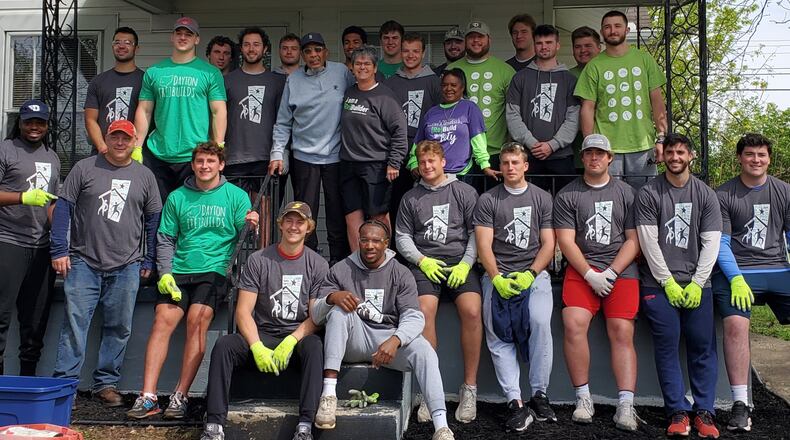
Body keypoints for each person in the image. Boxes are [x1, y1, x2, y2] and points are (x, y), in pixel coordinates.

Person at [127, 142, 258, 420]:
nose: (204, 166)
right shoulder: (177, 197)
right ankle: (148, 396)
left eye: (210, 161)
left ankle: (180, 396)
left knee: (196, 320)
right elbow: (165, 238)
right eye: (200, 161)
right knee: (162, 320)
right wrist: (165, 273)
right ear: (193, 165)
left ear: (221, 165)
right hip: (179, 270)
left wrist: (252, 224)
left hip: (214, 271)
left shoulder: (235, 196)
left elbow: (245, 234)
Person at [50, 120, 161, 407]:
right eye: (115, 137)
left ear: (135, 141)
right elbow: (63, 208)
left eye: (126, 138)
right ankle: (65, 386)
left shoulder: (145, 176)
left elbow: (153, 220)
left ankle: (106, 384)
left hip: (127, 265)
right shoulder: (84, 168)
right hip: (83, 261)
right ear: (107, 139)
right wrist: (59, 250)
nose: (120, 143)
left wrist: (149, 258)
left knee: (119, 327)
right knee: (74, 326)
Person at [311, 220, 455, 440]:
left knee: (425, 350)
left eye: (376, 241)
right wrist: (332, 298)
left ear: (386, 243)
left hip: (388, 341)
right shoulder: (341, 269)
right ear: (358, 241)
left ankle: (441, 427)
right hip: (353, 340)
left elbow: (414, 317)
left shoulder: (400, 272)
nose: (370, 245)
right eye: (365, 240)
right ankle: (328, 396)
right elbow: (316, 315)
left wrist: (396, 339)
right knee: (338, 312)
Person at [201, 201, 328, 440]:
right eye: (289, 220)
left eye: (300, 222)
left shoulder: (318, 265)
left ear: (309, 227)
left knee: (315, 345)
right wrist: (256, 346)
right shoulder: (258, 259)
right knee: (224, 345)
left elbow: (316, 317)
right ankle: (214, 426)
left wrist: (292, 340)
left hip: (296, 338)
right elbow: (243, 312)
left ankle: (305, 426)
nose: (293, 226)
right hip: (263, 335)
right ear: (280, 224)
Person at [635, 133, 722, 438]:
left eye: (681, 152)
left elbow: (712, 242)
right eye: (670, 152)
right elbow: (648, 242)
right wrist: (667, 282)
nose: (675, 157)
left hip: (698, 284)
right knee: (667, 345)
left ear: (691, 156)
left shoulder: (706, 194)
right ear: (664, 156)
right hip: (658, 284)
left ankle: (705, 412)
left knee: (702, 346)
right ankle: (677, 412)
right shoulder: (649, 193)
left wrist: (697, 283)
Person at [553, 134, 641, 431]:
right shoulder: (568, 194)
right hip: (583, 269)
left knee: (622, 330)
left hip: (621, 270)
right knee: (573, 323)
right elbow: (566, 241)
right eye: (589, 153)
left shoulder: (627, 193)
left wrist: (612, 272)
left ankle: (626, 405)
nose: (594, 158)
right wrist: (590, 275)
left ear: (610, 158)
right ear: (582, 157)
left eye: (600, 153)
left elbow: (634, 240)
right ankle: (583, 398)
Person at [396, 141, 482, 424]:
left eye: (432, 161)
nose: (427, 166)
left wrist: (466, 264)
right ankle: (429, 390)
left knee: (472, 310)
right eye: (422, 162)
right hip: (426, 264)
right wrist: (421, 261)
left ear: (443, 162)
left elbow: (476, 233)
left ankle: (469, 388)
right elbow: (402, 237)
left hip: (459, 262)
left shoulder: (464, 192)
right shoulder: (411, 197)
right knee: (424, 312)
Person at [472, 142, 557, 431]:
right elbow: (483, 244)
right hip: (497, 274)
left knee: (539, 322)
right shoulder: (488, 199)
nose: (510, 167)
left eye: (515, 162)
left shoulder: (542, 198)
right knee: (497, 333)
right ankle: (515, 401)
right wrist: (496, 277)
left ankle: (539, 395)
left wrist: (531, 274)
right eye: (506, 162)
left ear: (525, 166)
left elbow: (549, 244)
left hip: (534, 274)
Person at [712, 133, 790, 432]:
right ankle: (740, 404)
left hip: (778, 268)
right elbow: (722, 244)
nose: (755, 160)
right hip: (740, 270)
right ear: (739, 158)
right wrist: (736, 279)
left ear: (769, 159)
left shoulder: (784, 191)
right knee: (735, 325)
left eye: (761, 155)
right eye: (749, 154)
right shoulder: (723, 194)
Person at [269, 32, 353, 264]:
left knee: (337, 213)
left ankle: (338, 262)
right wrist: (278, 153)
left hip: (336, 156)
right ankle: (309, 262)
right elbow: (283, 121)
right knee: (306, 214)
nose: (313, 55)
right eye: (307, 51)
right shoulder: (294, 79)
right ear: (303, 55)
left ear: (326, 52)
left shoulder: (341, 72)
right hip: (304, 157)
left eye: (318, 50)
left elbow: (357, 100)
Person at [134, 17, 227, 203]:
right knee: (156, 210)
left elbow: (219, 111)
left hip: (194, 155)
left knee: (190, 211)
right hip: (158, 154)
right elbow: (144, 110)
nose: (183, 37)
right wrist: (137, 147)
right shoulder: (154, 71)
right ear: (172, 37)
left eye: (188, 34)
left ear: (197, 39)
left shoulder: (210, 73)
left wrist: (218, 146)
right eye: (179, 33)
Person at [574, 10, 667, 187]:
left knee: (645, 199)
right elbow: (587, 108)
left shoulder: (644, 59)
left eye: (617, 26)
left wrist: (661, 138)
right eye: (607, 27)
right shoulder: (594, 66)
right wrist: (591, 145)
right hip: (607, 149)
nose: (612, 31)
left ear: (627, 30)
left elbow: (657, 102)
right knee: (609, 199)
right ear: (602, 32)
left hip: (642, 145)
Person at [0, 100, 59, 376]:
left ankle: (27, 381)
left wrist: (60, 241)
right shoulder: (6, 149)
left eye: (40, 122)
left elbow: (52, 204)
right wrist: (22, 197)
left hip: (41, 247)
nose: (34, 127)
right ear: (20, 123)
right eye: (29, 122)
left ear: (47, 125)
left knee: (35, 321)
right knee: (1, 317)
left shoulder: (52, 157)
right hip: (8, 241)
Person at [340, 46, 407, 251]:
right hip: (348, 163)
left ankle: (383, 258)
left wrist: (394, 163)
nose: (362, 67)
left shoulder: (385, 96)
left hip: (376, 164)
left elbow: (399, 131)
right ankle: (357, 260)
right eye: (358, 63)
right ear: (352, 67)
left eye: (367, 64)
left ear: (375, 67)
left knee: (378, 216)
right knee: (352, 215)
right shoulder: (349, 92)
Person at [506, 24, 579, 193]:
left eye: (549, 42)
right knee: (530, 203)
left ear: (557, 45)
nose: (544, 47)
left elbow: (574, 117)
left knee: (565, 203)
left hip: (561, 156)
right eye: (539, 43)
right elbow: (512, 115)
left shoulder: (569, 79)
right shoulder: (520, 78)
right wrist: (532, 144)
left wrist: (553, 145)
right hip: (528, 156)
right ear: (534, 45)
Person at [384, 33, 441, 248]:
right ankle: (396, 251)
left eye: (415, 51)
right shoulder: (391, 83)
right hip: (397, 152)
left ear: (423, 53)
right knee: (397, 202)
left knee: (425, 203)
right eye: (406, 51)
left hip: (425, 153)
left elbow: (441, 115)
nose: (410, 55)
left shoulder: (434, 81)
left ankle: (423, 249)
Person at [448, 20, 515, 190]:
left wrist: (509, 147)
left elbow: (513, 112)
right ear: (465, 40)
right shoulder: (451, 70)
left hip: (495, 152)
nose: (476, 40)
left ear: (489, 39)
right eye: (471, 37)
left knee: (493, 201)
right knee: (462, 202)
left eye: (480, 37)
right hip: (459, 152)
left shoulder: (505, 71)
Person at [224, 27, 286, 197]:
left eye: (256, 44)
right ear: (241, 48)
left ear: (265, 49)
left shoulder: (278, 81)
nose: (251, 49)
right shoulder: (227, 81)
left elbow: (284, 121)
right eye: (247, 44)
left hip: (267, 158)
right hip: (234, 159)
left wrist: (281, 153)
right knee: (236, 210)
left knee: (265, 211)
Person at [408, 68, 495, 181]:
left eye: (453, 85)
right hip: (432, 175)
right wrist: (414, 163)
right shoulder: (431, 113)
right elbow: (419, 142)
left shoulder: (469, 108)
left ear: (462, 87)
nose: (448, 88)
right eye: (444, 85)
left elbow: (478, 138)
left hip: (461, 175)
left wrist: (485, 165)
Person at [85, 27, 144, 155]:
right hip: (103, 153)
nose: (121, 46)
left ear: (136, 48)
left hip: (135, 155)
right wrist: (102, 147)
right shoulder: (98, 81)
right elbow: (90, 119)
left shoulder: (146, 81)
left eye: (127, 43)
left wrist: (136, 149)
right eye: (117, 42)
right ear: (112, 46)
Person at [568, 26, 602, 173]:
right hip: (575, 151)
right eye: (578, 47)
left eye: (588, 46)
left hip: (606, 148)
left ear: (599, 48)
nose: (583, 50)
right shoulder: (566, 76)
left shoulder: (606, 72)